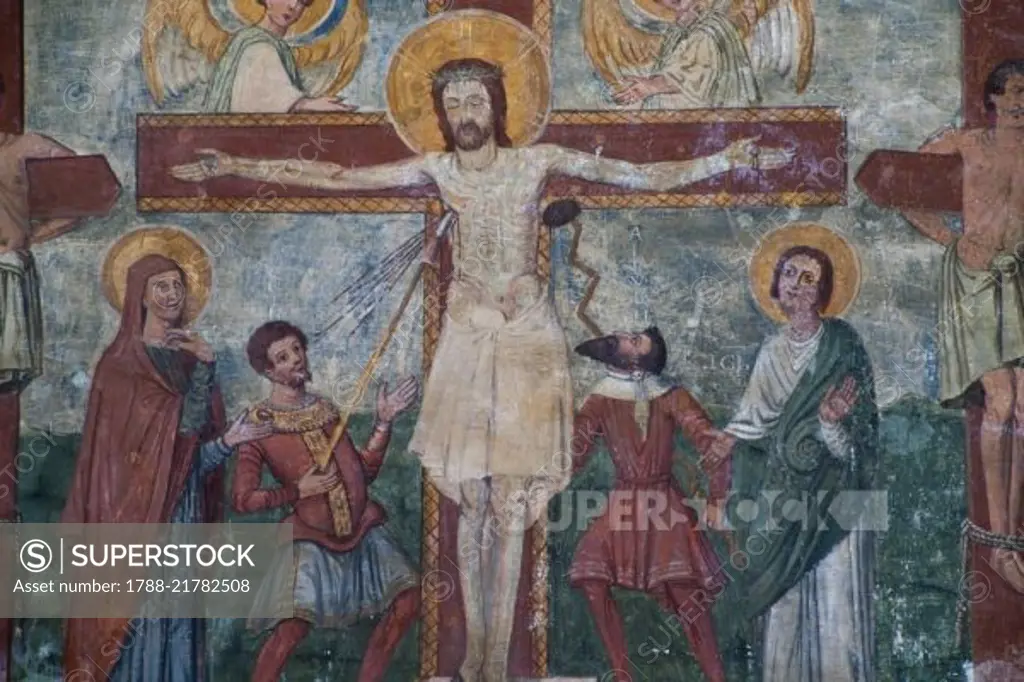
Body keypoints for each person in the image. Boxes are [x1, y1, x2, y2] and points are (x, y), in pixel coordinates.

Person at [171, 17, 793, 678]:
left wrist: (728, 156)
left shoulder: (536, 161)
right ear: (440, 113)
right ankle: (475, 660)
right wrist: (235, 162)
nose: (467, 112)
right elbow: (334, 176)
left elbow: (641, 175)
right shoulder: (438, 169)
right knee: (472, 505)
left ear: (499, 105)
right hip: (469, 336)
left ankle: (500, 660)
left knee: (514, 505)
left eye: (478, 99)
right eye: (454, 103)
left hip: (528, 340)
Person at [61, 239, 273, 681]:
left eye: (177, 285)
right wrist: (204, 373)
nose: (172, 295)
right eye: (160, 286)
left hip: (183, 512)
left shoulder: (191, 359)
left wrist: (228, 438)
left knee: (179, 617)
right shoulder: (119, 366)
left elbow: (193, 455)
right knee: (139, 616)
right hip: (134, 521)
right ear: (138, 294)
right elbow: (151, 444)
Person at [708, 240, 879, 682]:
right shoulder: (771, 351)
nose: (797, 286)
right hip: (782, 494)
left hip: (835, 496)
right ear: (775, 283)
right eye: (789, 274)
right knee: (782, 605)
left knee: (834, 604)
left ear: (823, 290)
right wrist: (723, 443)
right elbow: (752, 420)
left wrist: (829, 423)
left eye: (809, 278)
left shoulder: (842, 345)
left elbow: (860, 445)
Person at [234, 321, 420, 682]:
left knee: (409, 599)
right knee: (292, 628)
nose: (296, 360)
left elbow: (362, 473)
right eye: (283, 357)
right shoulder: (260, 424)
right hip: (311, 537)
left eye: (297, 349)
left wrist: (383, 423)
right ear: (269, 371)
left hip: (362, 529)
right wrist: (297, 491)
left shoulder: (326, 410)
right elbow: (244, 499)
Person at [898, 58, 1024, 589]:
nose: (1021, 101)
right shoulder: (967, 142)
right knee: (1001, 400)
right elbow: (897, 187)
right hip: (971, 280)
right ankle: (998, 542)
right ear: (993, 100)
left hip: (1017, 279)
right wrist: (947, 237)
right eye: (1013, 91)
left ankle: (1012, 537)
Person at [570, 327, 731, 682]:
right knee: (590, 573)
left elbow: (711, 442)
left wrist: (718, 499)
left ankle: (716, 676)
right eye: (628, 335)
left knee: (686, 595)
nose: (629, 334)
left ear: (643, 357)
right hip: (624, 500)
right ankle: (621, 674)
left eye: (639, 338)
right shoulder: (600, 397)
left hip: (664, 503)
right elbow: (574, 453)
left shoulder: (670, 394)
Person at [203, 0, 355, 113]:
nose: (293, 6)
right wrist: (305, 104)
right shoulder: (259, 47)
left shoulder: (275, 45)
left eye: (302, 2)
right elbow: (259, 99)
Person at [612, 0, 760, 109]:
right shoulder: (683, 27)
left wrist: (652, 86)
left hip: (700, 125)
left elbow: (689, 76)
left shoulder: (708, 32)